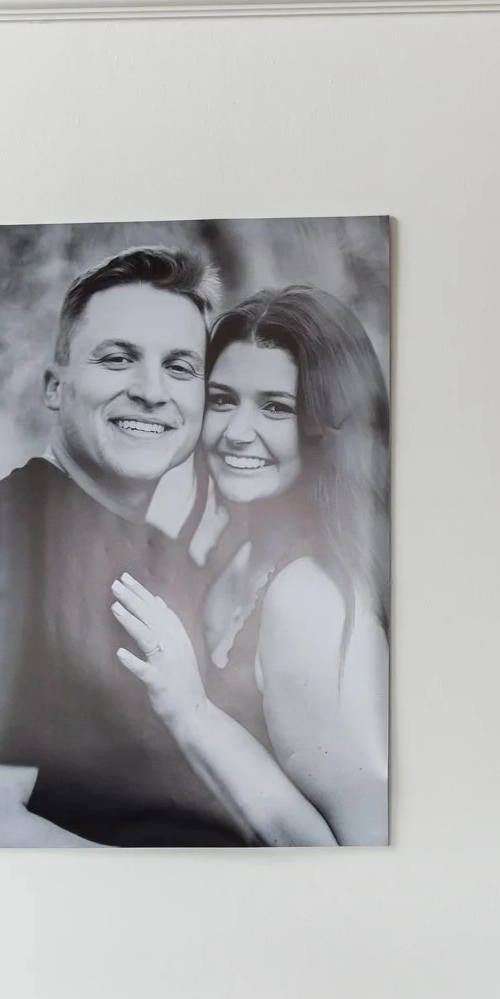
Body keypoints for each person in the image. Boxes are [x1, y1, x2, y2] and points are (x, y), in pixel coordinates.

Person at [0, 247, 250, 846]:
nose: (152, 391)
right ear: (56, 387)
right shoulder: (25, 533)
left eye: (181, 368)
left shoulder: (160, 551)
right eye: (119, 358)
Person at [106, 286, 394, 846]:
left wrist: (191, 712)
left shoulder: (310, 601)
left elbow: (364, 853)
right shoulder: (231, 551)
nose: (237, 431)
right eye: (221, 400)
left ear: (327, 427)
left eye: (276, 406)